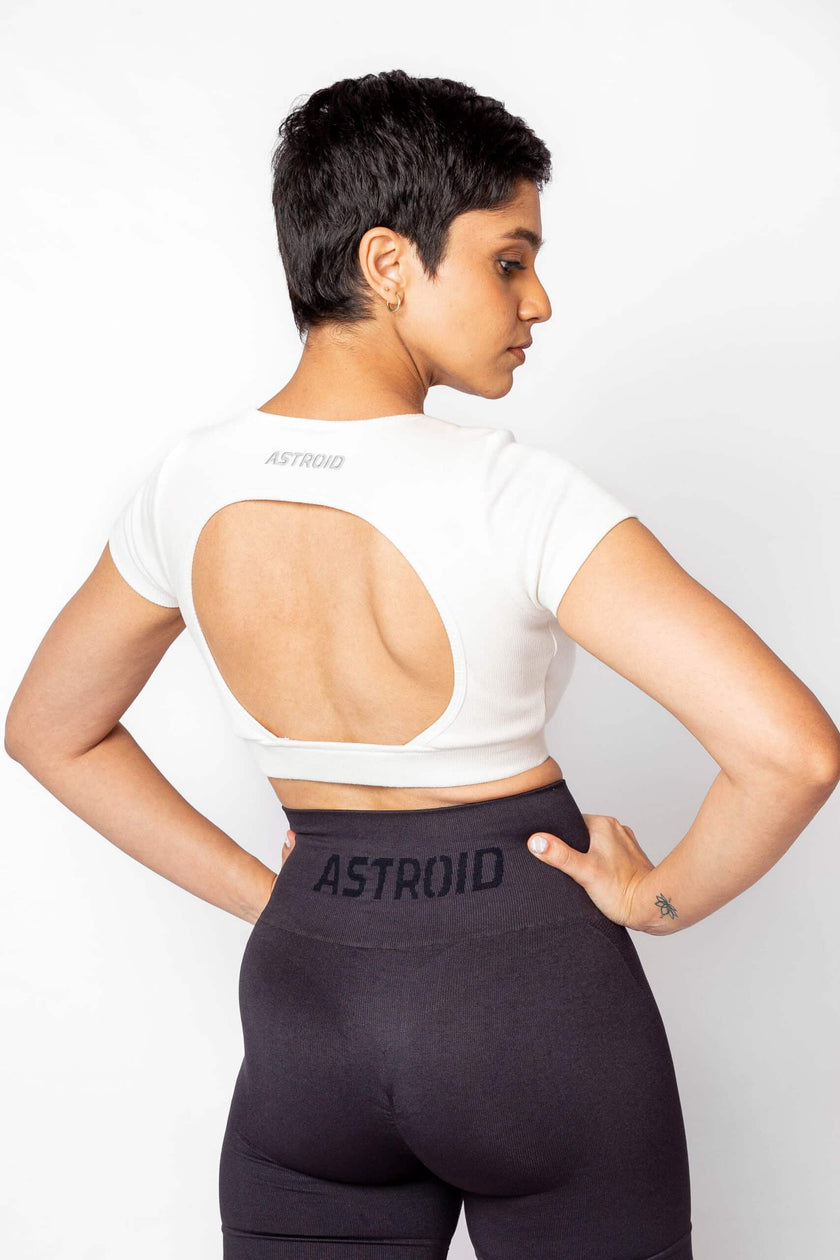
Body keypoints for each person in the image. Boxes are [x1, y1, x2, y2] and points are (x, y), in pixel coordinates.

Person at [5, 69, 840, 1260]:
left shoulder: (182, 488)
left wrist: (272, 897)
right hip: (533, 1006)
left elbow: (48, 727)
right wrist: (654, 899)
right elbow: (793, 754)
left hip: (307, 1014)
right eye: (509, 259)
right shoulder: (515, 494)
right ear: (389, 263)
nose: (537, 300)